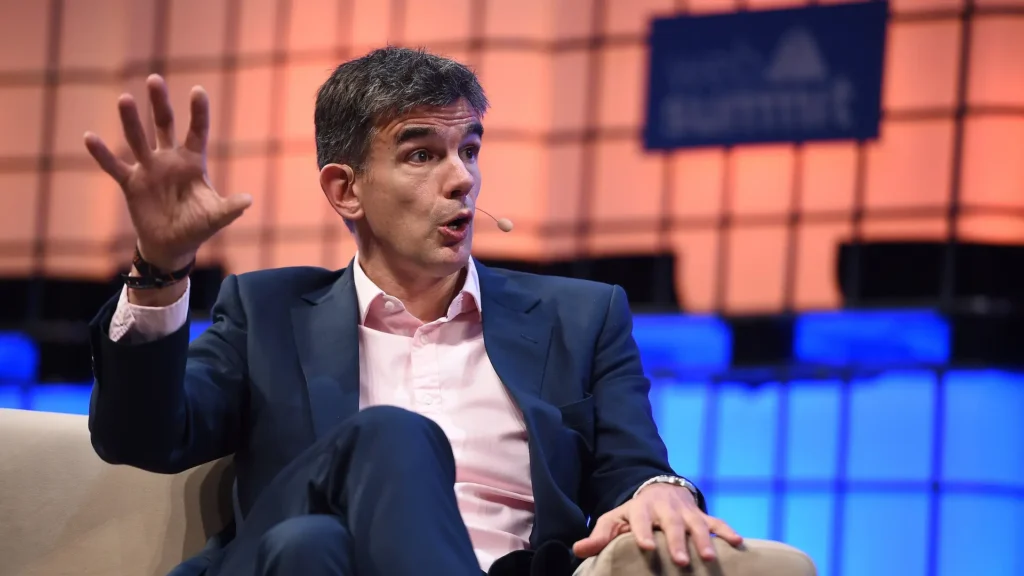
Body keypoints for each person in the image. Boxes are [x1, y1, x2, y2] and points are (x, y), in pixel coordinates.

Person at [83, 47, 744, 576]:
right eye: (423, 154)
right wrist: (160, 269)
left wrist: (664, 488)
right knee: (391, 436)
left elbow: (633, 467)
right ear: (346, 190)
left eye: (470, 150)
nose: (462, 178)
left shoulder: (582, 317)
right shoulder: (268, 311)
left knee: (310, 548)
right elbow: (139, 436)